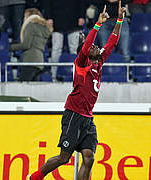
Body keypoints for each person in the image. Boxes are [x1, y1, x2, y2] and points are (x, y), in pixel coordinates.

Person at [27, 1, 126, 180]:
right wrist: (98, 24)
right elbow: (88, 44)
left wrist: (119, 21)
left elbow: (112, 41)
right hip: (73, 113)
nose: (97, 47)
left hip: (88, 117)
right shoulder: (81, 63)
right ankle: (35, 177)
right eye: (93, 47)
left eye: (97, 46)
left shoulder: (100, 61)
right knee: (64, 158)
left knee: (89, 158)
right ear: (86, 52)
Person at [43, 0, 87, 81]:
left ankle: (77, 75)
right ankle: (54, 75)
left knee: (74, 49)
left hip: (74, 18)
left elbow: (82, 2)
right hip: (56, 19)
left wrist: (82, 16)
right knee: (56, 49)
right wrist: (48, 17)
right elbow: (47, 2)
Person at [9, 8, 52, 81]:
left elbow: (26, 45)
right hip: (39, 62)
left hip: (30, 60)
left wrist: (11, 47)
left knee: (22, 87)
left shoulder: (31, 25)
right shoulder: (43, 27)